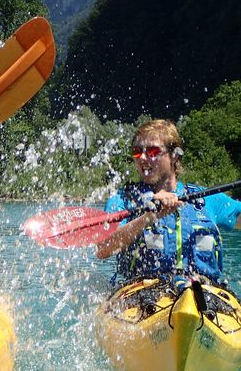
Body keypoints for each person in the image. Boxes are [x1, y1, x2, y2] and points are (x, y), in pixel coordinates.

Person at [96, 119, 241, 283]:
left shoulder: (208, 199)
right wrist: (148, 217)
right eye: (137, 152)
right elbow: (103, 249)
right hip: (145, 297)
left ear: (174, 156)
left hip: (204, 295)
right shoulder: (123, 200)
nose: (142, 158)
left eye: (152, 151)